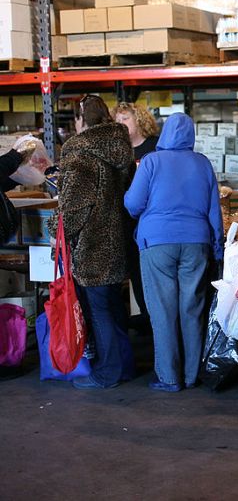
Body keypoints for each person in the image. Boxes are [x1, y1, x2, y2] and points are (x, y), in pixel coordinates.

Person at [124, 113, 224, 392]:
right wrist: (217, 247)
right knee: (192, 310)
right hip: (196, 243)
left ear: (165, 133)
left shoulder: (152, 162)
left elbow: (133, 204)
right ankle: (192, 376)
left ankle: (169, 377)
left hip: (157, 244)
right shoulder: (203, 163)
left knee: (163, 311)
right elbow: (213, 210)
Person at [48, 95, 135, 390]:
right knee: (113, 307)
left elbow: (74, 208)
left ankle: (107, 373)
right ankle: (124, 367)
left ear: (81, 120)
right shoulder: (119, 149)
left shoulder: (78, 155)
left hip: (92, 246)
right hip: (116, 240)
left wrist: (54, 228)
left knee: (99, 313)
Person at [115, 102, 159, 330]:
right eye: (118, 120)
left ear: (139, 120)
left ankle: (155, 319)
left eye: (125, 119)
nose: (120, 124)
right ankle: (145, 315)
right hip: (127, 223)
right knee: (136, 273)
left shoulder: (155, 148)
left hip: (152, 222)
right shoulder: (119, 152)